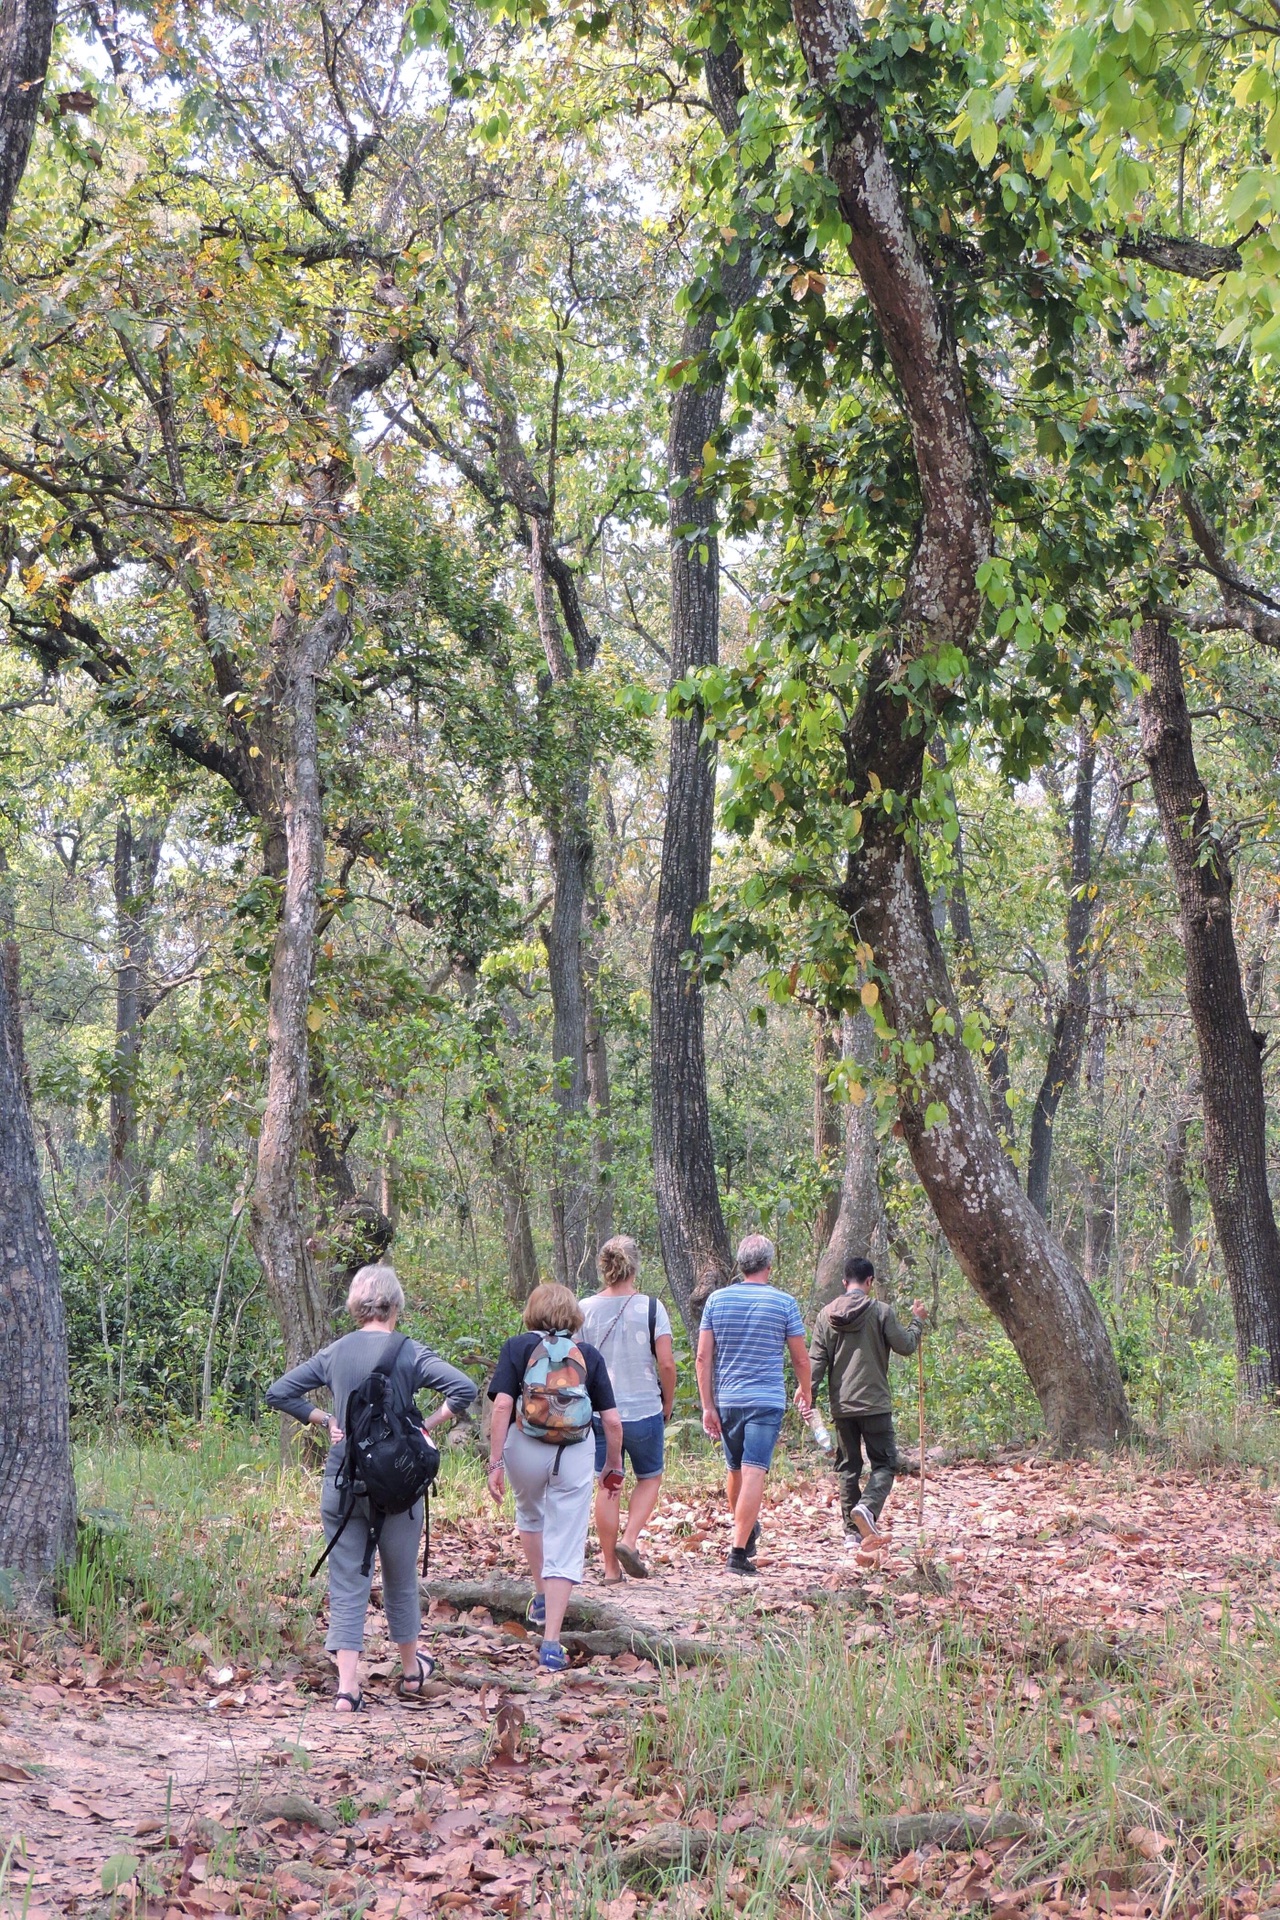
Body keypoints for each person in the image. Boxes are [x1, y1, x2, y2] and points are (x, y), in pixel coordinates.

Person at [266, 1262, 477, 1713]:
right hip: (398, 1485)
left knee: (347, 1581)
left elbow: (279, 1392)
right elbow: (463, 1387)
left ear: (356, 1306)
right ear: (395, 1304)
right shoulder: (410, 1351)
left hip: (343, 1481)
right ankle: (412, 1672)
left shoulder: (335, 1353)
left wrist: (324, 1419)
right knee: (400, 1578)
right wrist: (429, 1424)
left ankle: (347, 1688)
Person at [486, 1283, 624, 1671]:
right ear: (573, 1316)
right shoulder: (589, 1356)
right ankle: (550, 1645)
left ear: (532, 1312)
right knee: (566, 1539)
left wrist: (495, 1462)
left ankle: (541, 1593)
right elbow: (611, 1421)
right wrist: (613, 1465)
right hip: (574, 1452)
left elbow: (501, 1407)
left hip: (524, 1449)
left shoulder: (517, 1348)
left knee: (530, 1513)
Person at [695, 1233, 812, 1576]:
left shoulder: (717, 1300)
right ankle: (737, 1552)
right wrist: (805, 1391)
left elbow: (703, 1357)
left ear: (741, 1265)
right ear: (769, 1266)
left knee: (736, 1471)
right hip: (765, 1400)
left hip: (728, 1399)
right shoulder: (784, 1303)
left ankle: (745, 1535)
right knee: (753, 1470)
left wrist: (708, 1405)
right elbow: (801, 1359)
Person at [806, 1255, 928, 1545]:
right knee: (885, 1464)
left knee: (848, 1468)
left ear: (844, 1282)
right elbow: (906, 1345)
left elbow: (815, 1363)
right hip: (874, 1404)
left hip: (842, 1406)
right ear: (870, 1282)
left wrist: (807, 1397)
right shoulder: (881, 1311)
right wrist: (917, 1321)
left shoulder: (826, 1316)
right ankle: (868, 1507)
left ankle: (851, 1532)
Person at [579, 1235, 677, 1582]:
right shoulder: (651, 1307)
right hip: (644, 1409)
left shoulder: (583, 1309)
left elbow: (574, 1364)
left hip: (599, 1414)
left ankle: (609, 1569)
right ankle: (630, 1540)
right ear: (634, 1266)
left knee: (609, 1485)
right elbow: (666, 1363)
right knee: (650, 1476)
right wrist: (668, 1401)